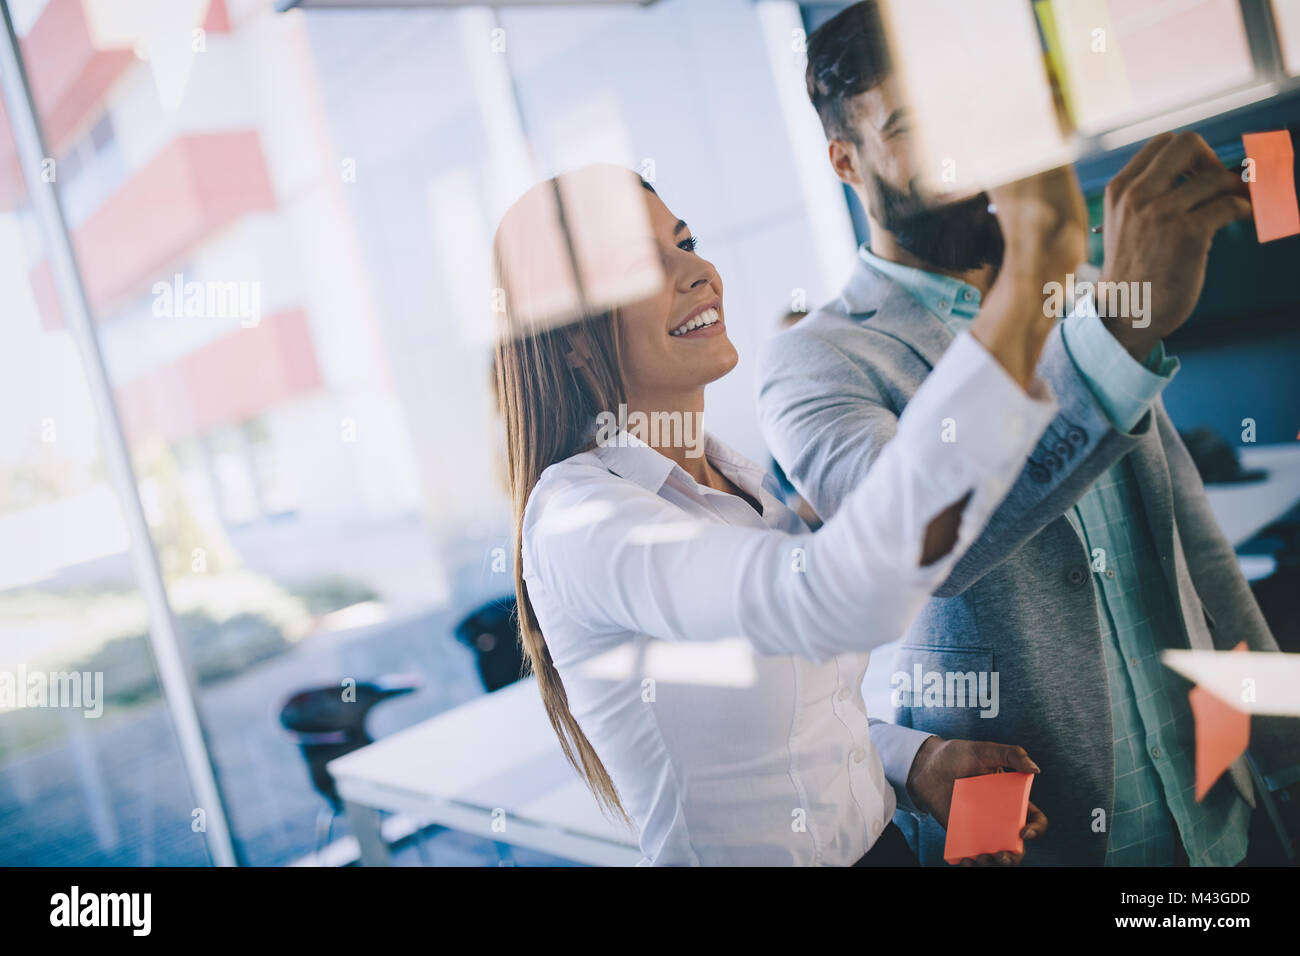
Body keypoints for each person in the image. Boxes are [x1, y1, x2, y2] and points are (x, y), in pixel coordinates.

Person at [756, 1, 1300, 866]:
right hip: (1046, 833)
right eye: (911, 127)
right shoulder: (815, 363)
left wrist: (1286, 751)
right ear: (843, 161)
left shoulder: (1083, 288)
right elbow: (918, 555)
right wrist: (1111, 346)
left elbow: (1194, 555)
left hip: (1214, 808)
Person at [494, 162, 1084, 865]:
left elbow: (795, 712)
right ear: (570, 336)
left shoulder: (736, 482)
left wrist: (910, 759)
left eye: (686, 242)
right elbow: (830, 597)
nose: (698, 270)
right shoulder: (578, 520)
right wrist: (1025, 295)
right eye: (639, 265)